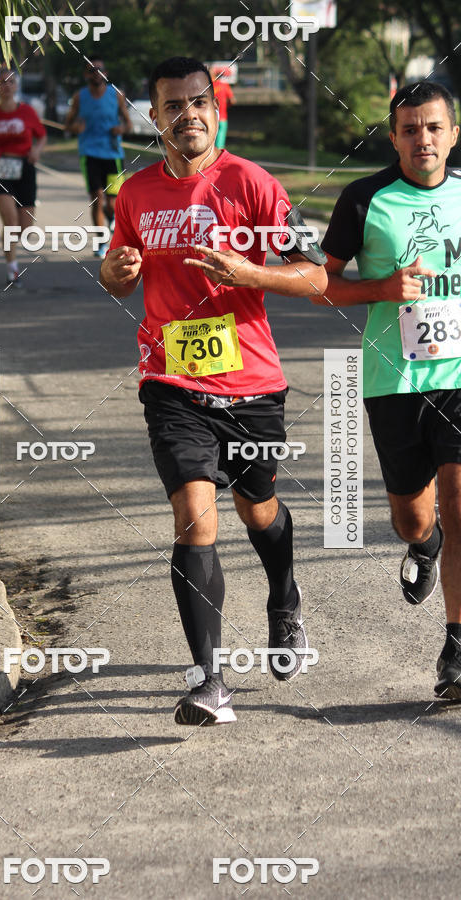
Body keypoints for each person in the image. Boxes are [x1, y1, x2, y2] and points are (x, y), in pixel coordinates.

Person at [100, 57, 327, 725]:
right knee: (195, 518)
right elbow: (118, 277)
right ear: (155, 116)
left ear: (215, 107)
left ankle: (283, 601)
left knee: (260, 511)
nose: (188, 115)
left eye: (198, 101)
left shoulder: (252, 185)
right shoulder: (135, 193)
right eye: (172, 105)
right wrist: (115, 271)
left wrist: (249, 272)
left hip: (252, 384)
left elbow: (315, 276)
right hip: (171, 382)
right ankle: (210, 682)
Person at [317, 80, 461, 698]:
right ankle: (421, 545)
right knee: (412, 517)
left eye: (433, 127)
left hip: (458, 379)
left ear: (453, 132)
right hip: (393, 381)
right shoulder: (363, 198)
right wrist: (381, 290)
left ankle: (456, 646)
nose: (422, 139)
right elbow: (323, 283)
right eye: (409, 129)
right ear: (394, 135)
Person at [0, 68, 46, 287]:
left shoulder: (27, 112)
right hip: (2, 168)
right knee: (11, 223)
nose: (6, 86)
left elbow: (41, 136)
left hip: (25, 167)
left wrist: (36, 151)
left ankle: (12, 255)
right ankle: (12, 269)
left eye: (10, 82)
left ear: (16, 86)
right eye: (2, 82)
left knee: (25, 229)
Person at [65, 58, 131, 258]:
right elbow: (67, 125)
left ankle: (110, 220)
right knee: (97, 199)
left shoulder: (116, 95)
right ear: (86, 75)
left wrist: (121, 129)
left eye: (99, 69)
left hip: (113, 155)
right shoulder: (79, 97)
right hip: (90, 154)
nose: (96, 73)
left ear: (106, 72)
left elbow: (129, 124)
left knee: (113, 204)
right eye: (92, 70)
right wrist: (75, 127)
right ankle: (102, 242)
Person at [213, 67, 235, 150]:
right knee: (220, 142)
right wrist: (227, 105)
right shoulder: (225, 86)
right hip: (222, 117)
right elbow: (232, 101)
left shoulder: (210, 86)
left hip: (211, 118)